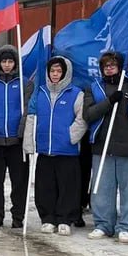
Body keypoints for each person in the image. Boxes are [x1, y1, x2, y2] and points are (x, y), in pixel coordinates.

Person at [83, 51, 128, 243]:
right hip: (103, 145)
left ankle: (125, 226)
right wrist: (109, 101)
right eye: (106, 66)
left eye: (113, 65)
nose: (109, 68)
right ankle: (103, 224)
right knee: (102, 188)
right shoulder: (94, 87)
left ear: (120, 67)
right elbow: (88, 114)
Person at [23, 55, 86, 236]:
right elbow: (31, 119)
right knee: (45, 186)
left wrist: (70, 137)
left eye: (59, 71)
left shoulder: (75, 93)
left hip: (66, 150)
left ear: (66, 73)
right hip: (45, 149)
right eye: (52, 71)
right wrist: (29, 143)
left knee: (67, 187)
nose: (55, 74)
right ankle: (48, 218)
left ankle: (64, 219)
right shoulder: (40, 92)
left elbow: (82, 119)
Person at [0, 46, 29, 230]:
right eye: (4, 61)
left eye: (10, 61)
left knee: (20, 182)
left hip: (16, 142)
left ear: (15, 63)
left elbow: (28, 110)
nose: (7, 65)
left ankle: (18, 216)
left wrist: (21, 130)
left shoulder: (24, 83)